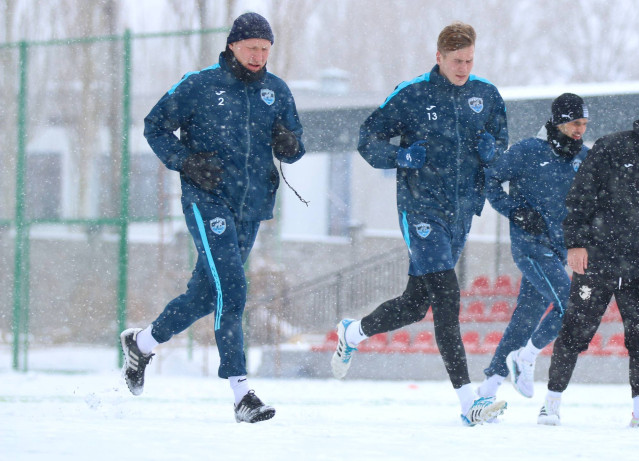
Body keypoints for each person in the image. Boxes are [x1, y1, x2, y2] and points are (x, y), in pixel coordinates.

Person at [119, 12, 306, 424]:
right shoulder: (199, 85)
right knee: (234, 289)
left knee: (206, 295)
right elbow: (154, 126)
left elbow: (296, 146)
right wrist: (185, 162)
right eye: (251, 47)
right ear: (233, 45)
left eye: (265, 48)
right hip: (207, 201)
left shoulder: (276, 90)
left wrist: (289, 143)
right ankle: (242, 394)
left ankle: (142, 343)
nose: (258, 55)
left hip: (252, 206)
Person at [330, 22, 509, 426]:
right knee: (447, 297)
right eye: (456, 61)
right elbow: (368, 140)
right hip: (421, 209)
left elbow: (502, 148)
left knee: (415, 305)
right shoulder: (411, 95)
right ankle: (469, 403)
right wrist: (402, 155)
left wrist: (492, 151)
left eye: (469, 60)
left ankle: (352, 333)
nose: (463, 68)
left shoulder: (487, 95)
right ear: (439, 57)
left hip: (461, 214)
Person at [540, 96, 639, 428]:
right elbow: (580, 196)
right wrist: (576, 243)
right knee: (575, 330)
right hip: (596, 261)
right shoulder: (613, 148)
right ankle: (551, 402)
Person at [477, 93, 590, 402]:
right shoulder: (528, 150)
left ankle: (486, 391)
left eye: (584, 123)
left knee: (524, 320)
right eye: (574, 123)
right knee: (571, 306)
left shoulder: (584, 158)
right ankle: (525, 357)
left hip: (557, 252)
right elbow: (490, 180)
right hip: (530, 247)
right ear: (558, 121)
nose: (580, 129)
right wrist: (516, 210)